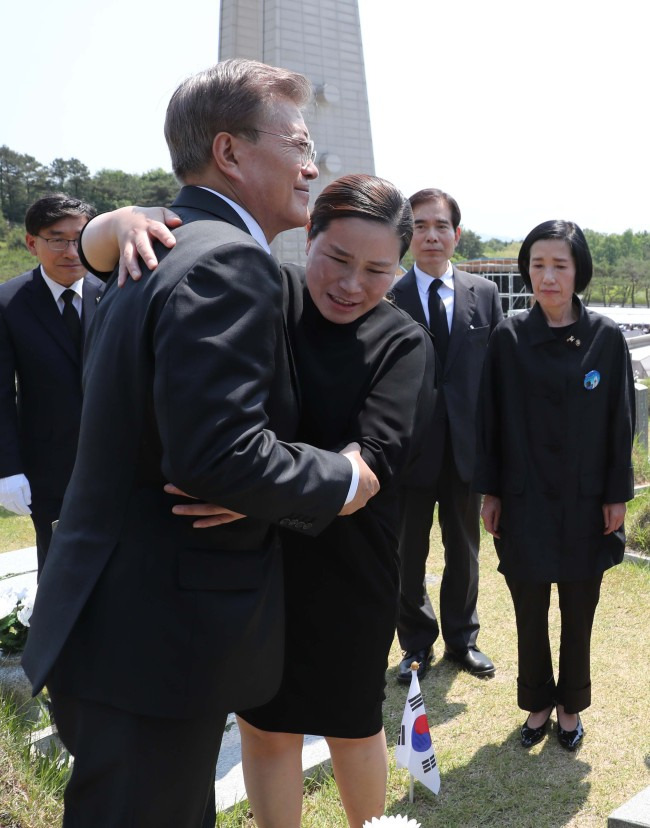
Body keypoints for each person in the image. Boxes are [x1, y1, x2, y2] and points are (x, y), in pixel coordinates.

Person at [21, 59, 379, 828]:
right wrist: (343, 478)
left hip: (116, 621)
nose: (314, 165)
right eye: (298, 141)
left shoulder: (150, 245)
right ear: (230, 152)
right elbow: (218, 455)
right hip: (159, 632)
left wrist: (97, 234)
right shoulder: (226, 259)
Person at [79, 174, 436, 828]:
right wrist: (123, 220)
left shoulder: (403, 342)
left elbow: (368, 468)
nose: (352, 283)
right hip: (250, 563)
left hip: (349, 563)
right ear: (308, 238)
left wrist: (254, 496)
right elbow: (99, 253)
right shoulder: (265, 292)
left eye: (378, 270)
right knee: (265, 726)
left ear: (401, 268)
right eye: (337, 259)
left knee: (351, 724)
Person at [475, 220, 635, 750]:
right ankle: (537, 702)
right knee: (528, 605)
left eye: (559, 265)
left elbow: (620, 422)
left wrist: (616, 494)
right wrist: (491, 491)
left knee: (579, 605)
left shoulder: (605, 337)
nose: (547, 276)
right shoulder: (509, 335)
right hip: (523, 498)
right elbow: (490, 420)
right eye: (538, 264)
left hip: (586, 500)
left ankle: (571, 707)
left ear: (578, 271)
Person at [391, 188, 503, 683]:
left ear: (457, 235)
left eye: (440, 226)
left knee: (464, 550)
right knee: (406, 554)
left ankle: (463, 640)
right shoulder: (389, 296)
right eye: (419, 226)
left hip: (466, 451)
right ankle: (415, 644)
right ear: (407, 234)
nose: (430, 235)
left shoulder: (485, 294)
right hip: (407, 452)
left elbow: (498, 378)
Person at [0, 194, 101, 576]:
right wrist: (7, 470)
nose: (71, 251)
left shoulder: (117, 291)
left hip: (121, 461)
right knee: (60, 571)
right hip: (49, 468)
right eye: (57, 239)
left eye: (80, 238)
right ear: (32, 243)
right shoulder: (8, 303)